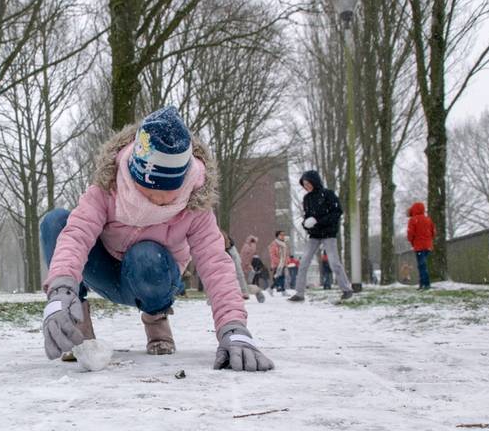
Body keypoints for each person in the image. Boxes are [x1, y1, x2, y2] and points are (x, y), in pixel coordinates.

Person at [39, 106, 273, 372]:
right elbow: (77, 235)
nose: (158, 200)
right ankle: (76, 322)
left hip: (153, 277)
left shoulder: (195, 207)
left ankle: (156, 318)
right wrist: (60, 291)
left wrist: (234, 328)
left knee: (146, 253)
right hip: (102, 269)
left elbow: (215, 265)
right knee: (56, 222)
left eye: (169, 191)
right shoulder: (108, 188)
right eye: (149, 190)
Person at [288, 170, 353, 302]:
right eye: (304, 184)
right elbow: (307, 216)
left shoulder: (328, 194)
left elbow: (336, 212)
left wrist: (318, 221)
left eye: (308, 183)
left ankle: (347, 289)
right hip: (314, 235)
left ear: (314, 181)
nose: (306, 186)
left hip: (329, 234)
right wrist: (306, 224)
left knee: (334, 263)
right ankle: (299, 293)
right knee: (304, 262)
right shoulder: (307, 199)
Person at [222, 231, 265, 303]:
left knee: (239, 284)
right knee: (235, 284)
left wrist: (246, 265)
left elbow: (244, 258)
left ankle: (256, 290)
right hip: (243, 264)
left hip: (239, 264)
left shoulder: (247, 247)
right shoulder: (248, 246)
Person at [407, 202, 436, 290]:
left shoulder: (413, 220)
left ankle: (425, 283)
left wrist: (411, 240)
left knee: (421, 265)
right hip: (427, 245)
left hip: (419, 245)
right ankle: (424, 283)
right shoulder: (428, 219)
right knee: (423, 264)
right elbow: (433, 232)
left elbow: (410, 233)